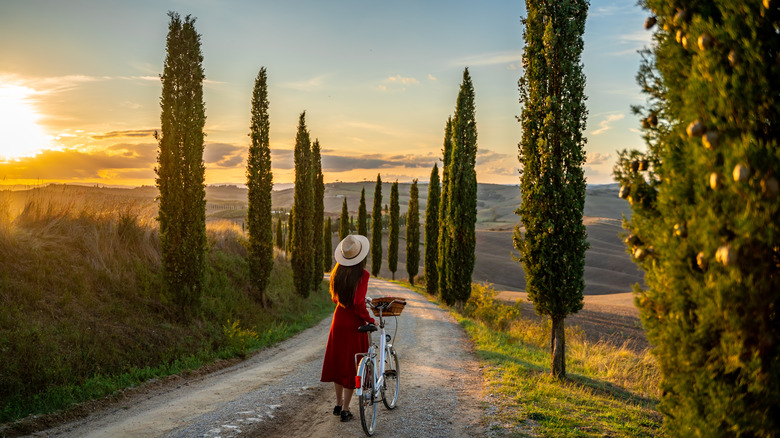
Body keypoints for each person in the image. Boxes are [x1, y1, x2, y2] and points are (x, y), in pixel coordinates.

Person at [320, 234, 375, 422]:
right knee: (353, 365)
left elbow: (335, 298)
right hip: (354, 324)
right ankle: (345, 409)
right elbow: (359, 304)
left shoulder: (337, 272)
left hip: (339, 319)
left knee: (338, 363)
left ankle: (337, 404)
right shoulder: (362, 274)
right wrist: (370, 319)